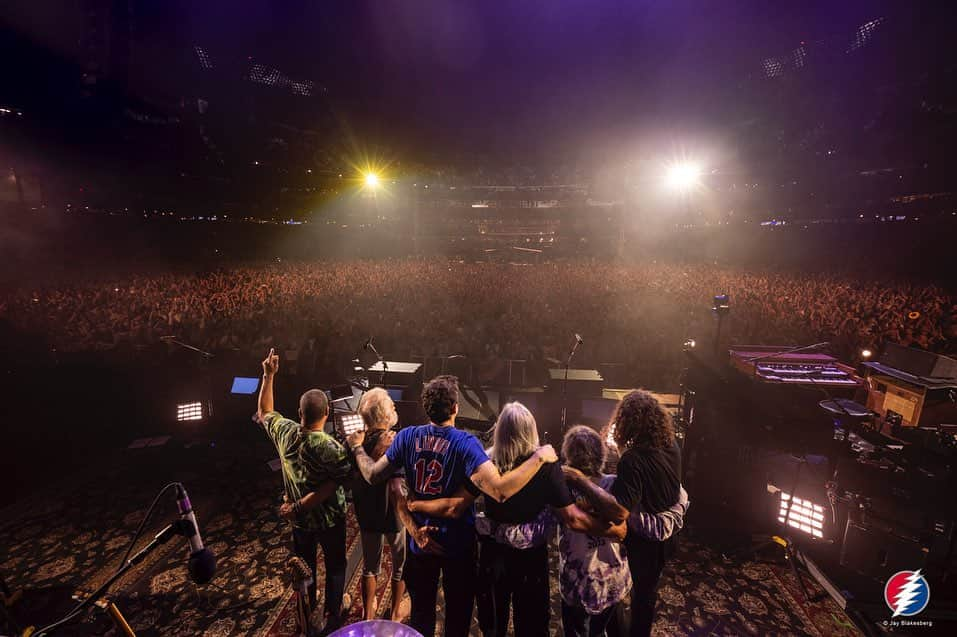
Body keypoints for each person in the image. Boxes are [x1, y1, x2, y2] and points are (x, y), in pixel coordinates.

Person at [346, 376, 558, 637]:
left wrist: (357, 448)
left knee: (421, 616)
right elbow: (501, 491)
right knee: (457, 619)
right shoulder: (466, 444)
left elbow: (373, 475)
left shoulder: (406, 437)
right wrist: (538, 456)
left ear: (426, 408)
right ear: (456, 407)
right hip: (457, 545)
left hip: (420, 542)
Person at [410, 403, 624, 637]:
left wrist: (415, 505)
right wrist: (613, 531)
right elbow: (572, 518)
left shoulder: (485, 461)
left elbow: (456, 505)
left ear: (500, 430)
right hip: (530, 559)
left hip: (494, 555)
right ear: (531, 430)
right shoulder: (545, 464)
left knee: (493, 625)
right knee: (531, 625)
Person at [558, 425, 689, 637]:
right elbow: (627, 527)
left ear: (567, 454)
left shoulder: (560, 487)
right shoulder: (617, 486)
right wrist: (680, 501)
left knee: (578, 629)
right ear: (601, 454)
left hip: (578, 581)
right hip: (613, 578)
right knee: (612, 623)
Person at [256, 348, 352, 633]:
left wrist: (268, 375)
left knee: (306, 563)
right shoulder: (331, 448)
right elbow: (336, 482)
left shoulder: (285, 433)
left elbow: (265, 412)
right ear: (328, 412)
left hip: (300, 522)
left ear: (299, 413)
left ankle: (309, 607)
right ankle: (334, 610)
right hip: (330, 519)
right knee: (335, 564)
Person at [597, 390, 683, 637]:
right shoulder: (672, 445)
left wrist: (584, 484)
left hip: (644, 543)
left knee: (614, 588)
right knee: (645, 597)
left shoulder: (632, 460)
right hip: (668, 537)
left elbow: (620, 510)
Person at [352, 388, 407, 621]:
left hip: (367, 511)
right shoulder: (396, 440)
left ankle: (368, 613)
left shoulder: (355, 441)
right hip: (393, 513)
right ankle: (395, 613)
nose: (394, 406)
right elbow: (397, 484)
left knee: (369, 565)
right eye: (391, 404)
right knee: (400, 564)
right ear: (382, 413)